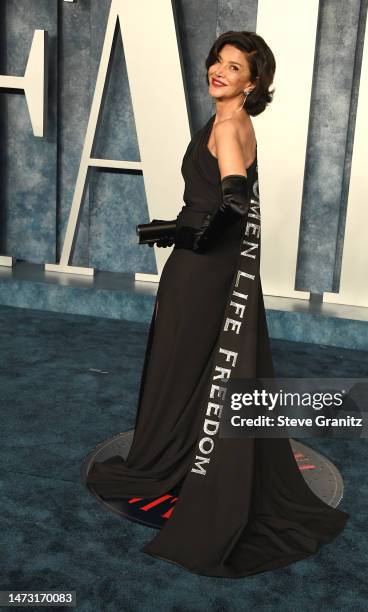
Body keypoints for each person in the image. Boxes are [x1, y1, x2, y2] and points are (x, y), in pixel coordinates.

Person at [86, 30, 349, 578]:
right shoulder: (236, 123)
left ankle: (169, 461)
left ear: (253, 84)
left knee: (180, 362)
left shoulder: (230, 125)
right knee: (198, 365)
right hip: (216, 266)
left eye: (234, 68)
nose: (219, 71)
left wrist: (188, 234)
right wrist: (182, 227)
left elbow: (231, 201)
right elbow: (229, 202)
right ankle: (180, 451)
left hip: (202, 270)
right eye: (217, 61)